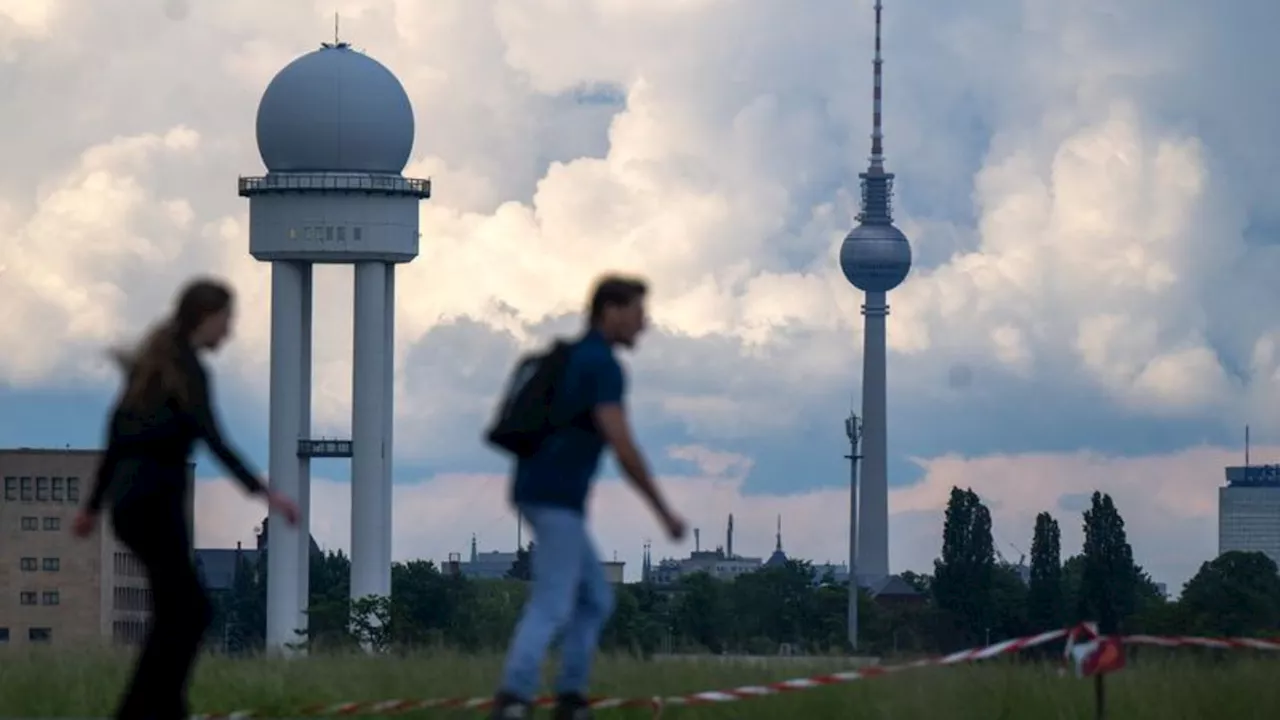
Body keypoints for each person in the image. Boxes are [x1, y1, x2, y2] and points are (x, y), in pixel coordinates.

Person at [71, 277, 299, 720]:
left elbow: (115, 436)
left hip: (132, 507)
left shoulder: (154, 368)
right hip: (154, 505)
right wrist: (266, 493)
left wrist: (93, 507)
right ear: (205, 317)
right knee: (189, 610)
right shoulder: (187, 371)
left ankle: (157, 708)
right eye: (226, 321)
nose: (229, 333)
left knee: (179, 610)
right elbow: (214, 439)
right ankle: (146, 710)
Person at [490, 275, 687, 720]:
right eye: (638, 313)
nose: (645, 324)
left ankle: (571, 700)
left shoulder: (575, 357)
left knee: (595, 598)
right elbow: (622, 445)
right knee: (553, 601)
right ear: (611, 311)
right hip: (554, 495)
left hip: (543, 491)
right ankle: (514, 699)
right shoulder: (602, 366)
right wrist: (663, 511)